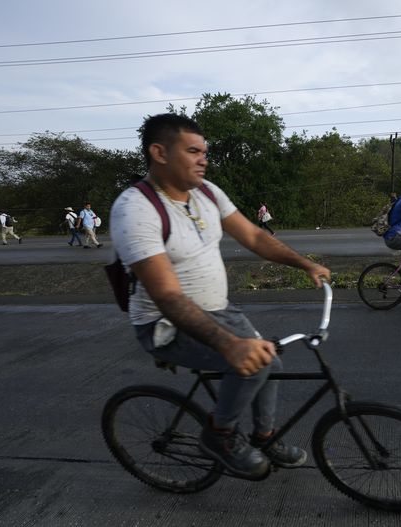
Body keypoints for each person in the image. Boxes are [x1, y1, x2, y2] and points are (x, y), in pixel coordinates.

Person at [109, 113, 331, 480]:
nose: (203, 160)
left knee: (270, 361)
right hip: (165, 324)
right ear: (159, 153)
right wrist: (230, 346)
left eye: (205, 152)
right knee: (251, 364)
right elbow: (166, 296)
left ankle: (264, 438)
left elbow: (254, 236)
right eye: (193, 151)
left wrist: (304, 263)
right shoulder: (136, 210)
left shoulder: (207, 193)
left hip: (219, 310)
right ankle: (219, 434)